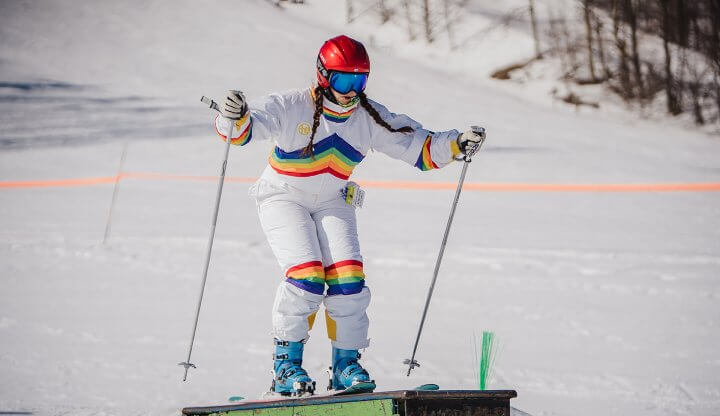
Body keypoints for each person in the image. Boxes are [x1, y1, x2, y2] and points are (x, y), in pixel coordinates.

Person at [214, 35, 485, 396]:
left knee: (349, 280)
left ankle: (345, 365)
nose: (351, 91)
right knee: (307, 276)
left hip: (332, 199)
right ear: (324, 76)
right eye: (344, 81)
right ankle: (286, 367)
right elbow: (248, 126)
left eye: (359, 82)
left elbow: (417, 145)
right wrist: (233, 116)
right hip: (284, 196)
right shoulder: (292, 104)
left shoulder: (368, 117)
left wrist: (454, 144)